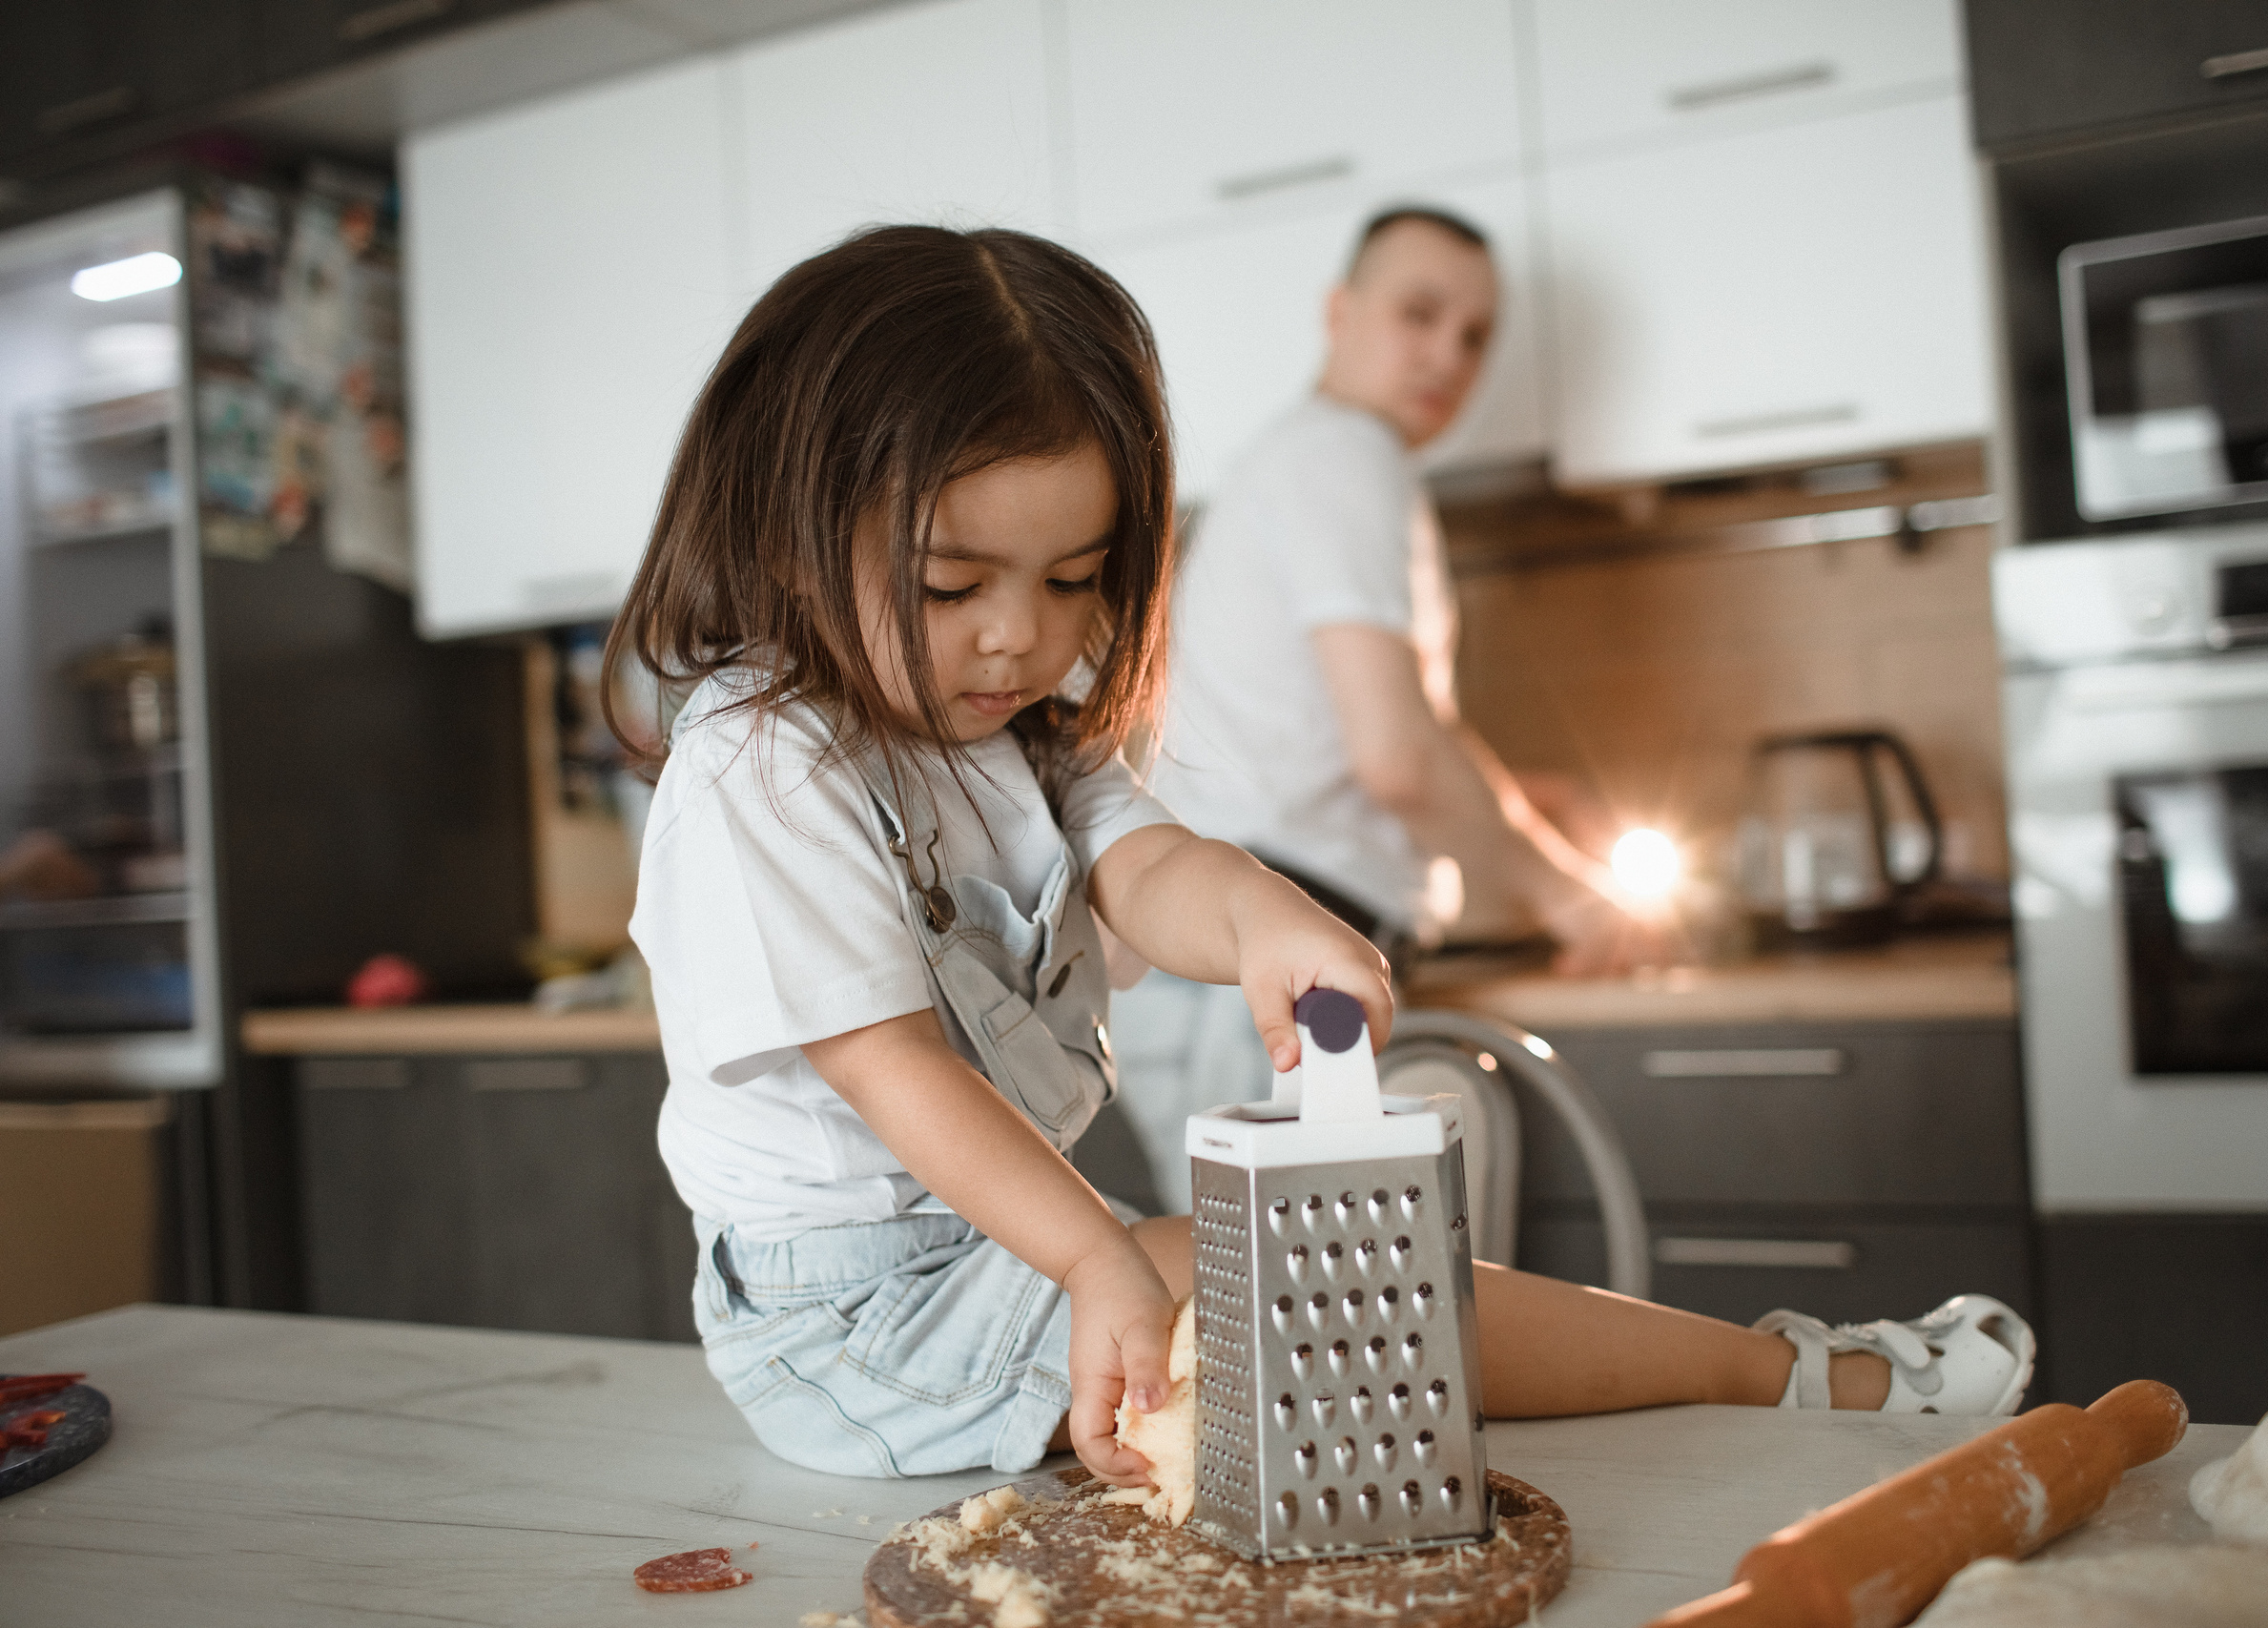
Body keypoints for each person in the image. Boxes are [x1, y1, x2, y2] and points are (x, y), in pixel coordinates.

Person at [610, 225, 2036, 1489]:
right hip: (853, 1324)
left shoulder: (1009, 735)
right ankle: (1808, 1386)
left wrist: (1267, 915)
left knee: (1362, 1281)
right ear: (793, 529)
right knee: (1333, 1286)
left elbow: (1151, 867)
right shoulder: (764, 756)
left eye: (1072, 578)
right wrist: (1097, 1256)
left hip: (1010, 1251)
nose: (1021, 636)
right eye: (951, 582)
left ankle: (1787, 1380)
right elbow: (892, 1066)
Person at [1114, 206, 1653, 1214]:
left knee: (1257, 1331)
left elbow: (1330, 750)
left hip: (1220, 974)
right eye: (1420, 312)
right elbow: (1398, 758)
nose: (1448, 353)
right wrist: (1569, 893)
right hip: (1266, 973)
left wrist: (1528, 803)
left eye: (1475, 334)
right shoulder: (1343, 458)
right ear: (1340, 312)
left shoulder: (1295, 460)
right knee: (1300, 1343)